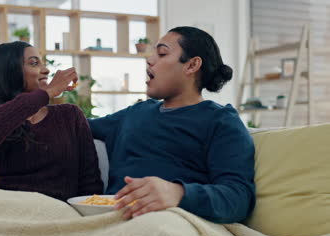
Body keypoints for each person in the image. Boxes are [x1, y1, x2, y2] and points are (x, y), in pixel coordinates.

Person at [89, 27, 255, 224]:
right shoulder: (134, 114)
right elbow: (75, 126)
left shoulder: (220, 120)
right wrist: (45, 95)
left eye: (162, 53)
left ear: (192, 65)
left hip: (174, 224)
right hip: (112, 219)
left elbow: (238, 198)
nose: (150, 60)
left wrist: (178, 193)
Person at [0, 41, 103, 201]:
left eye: (43, 63)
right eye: (34, 63)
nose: (46, 70)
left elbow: (90, 179)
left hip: (60, 213)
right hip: (8, 211)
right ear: (9, 72)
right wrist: (48, 93)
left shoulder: (70, 115)